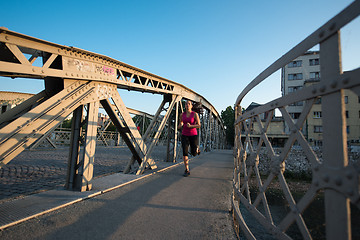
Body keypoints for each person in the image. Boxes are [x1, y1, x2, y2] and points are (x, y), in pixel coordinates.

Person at [178, 100, 201, 177]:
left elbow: (199, 125)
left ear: (191, 106)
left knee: (194, 153)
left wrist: (191, 126)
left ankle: (197, 149)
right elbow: (181, 122)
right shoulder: (182, 114)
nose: (187, 105)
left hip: (193, 134)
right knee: (185, 152)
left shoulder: (195, 114)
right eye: (186, 104)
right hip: (185, 134)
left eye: (189, 104)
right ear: (185, 106)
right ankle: (187, 169)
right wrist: (180, 125)